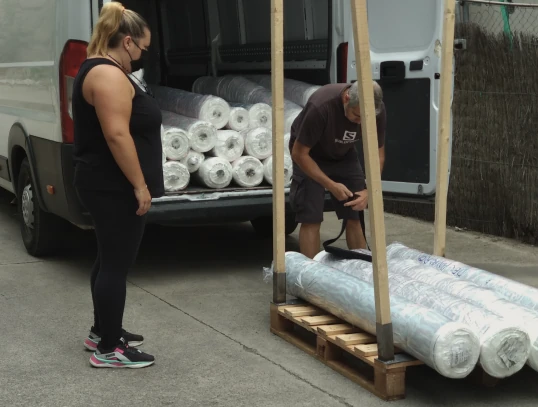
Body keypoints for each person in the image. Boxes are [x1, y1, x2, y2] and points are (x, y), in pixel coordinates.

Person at [72, 2, 164, 368]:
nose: (143, 55)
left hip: (105, 183)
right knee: (115, 265)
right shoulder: (108, 76)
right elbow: (116, 135)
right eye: (142, 48)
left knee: (108, 259)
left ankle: (102, 330)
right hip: (113, 186)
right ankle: (109, 349)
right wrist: (140, 185)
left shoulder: (102, 70)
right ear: (127, 42)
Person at [289, 81, 386, 259]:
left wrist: (369, 190)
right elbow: (299, 153)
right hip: (311, 154)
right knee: (311, 216)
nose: (360, 122)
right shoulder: (321, 106)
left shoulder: (376, 109)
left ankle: (359, 267)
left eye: (366, 119)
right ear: (346, 97)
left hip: (344, 153)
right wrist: (331, 185)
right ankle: (311, 276)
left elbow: (378, 154)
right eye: (357, 116)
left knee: (354, 212)